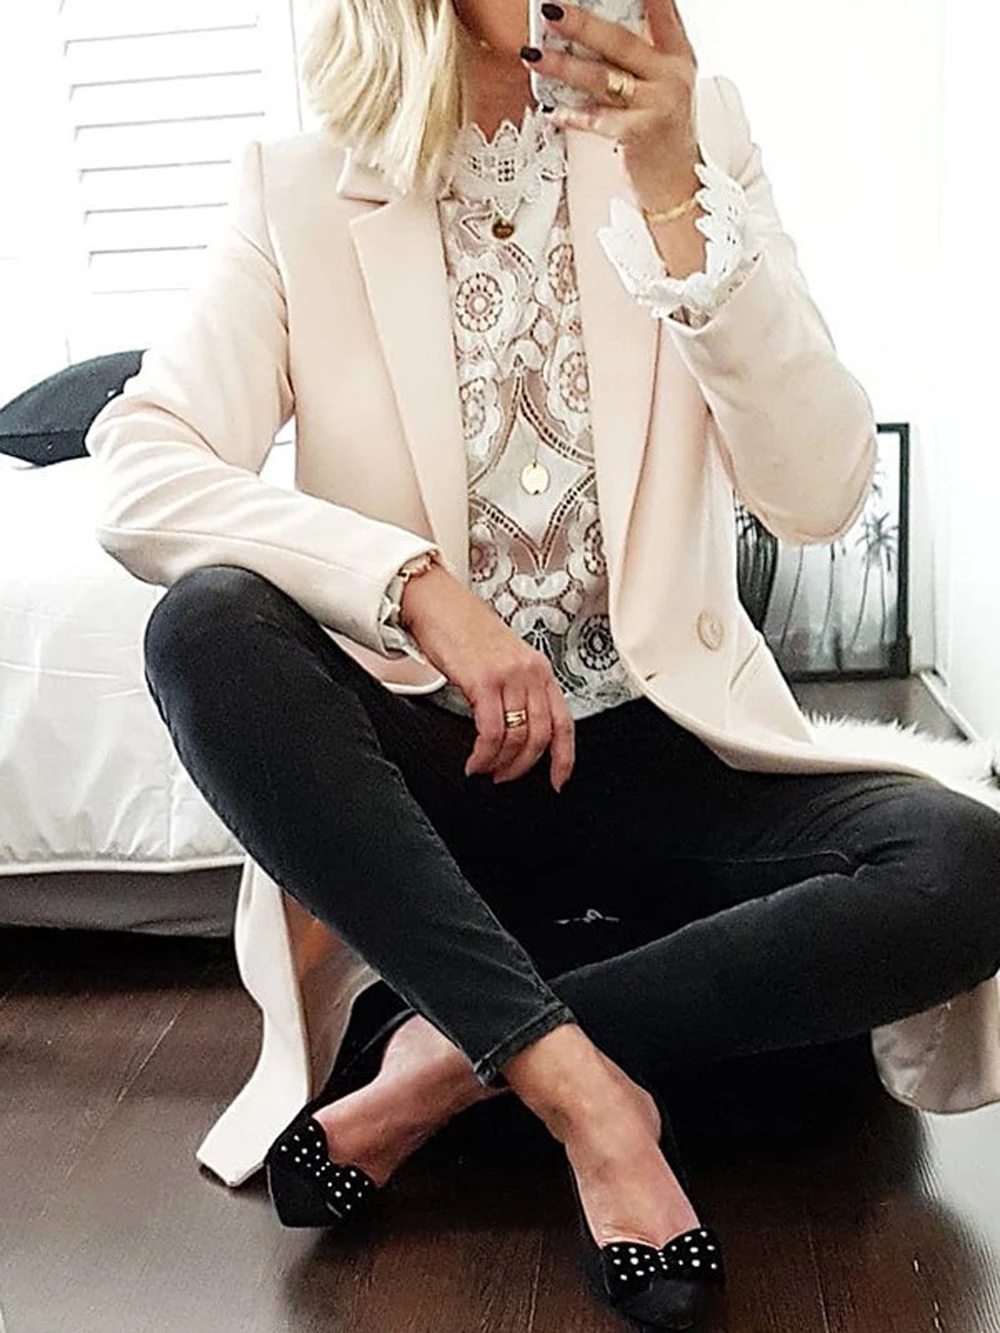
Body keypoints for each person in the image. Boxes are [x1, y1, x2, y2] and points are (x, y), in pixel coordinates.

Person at [84, 0, 1000, 1327]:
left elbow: (818, 494)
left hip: (672, 756)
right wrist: (414, 588)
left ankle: (455, 1059)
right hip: (441, 780)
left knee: (962, 865)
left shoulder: (698, 136)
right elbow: (140, 467)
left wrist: (677, 191)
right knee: (207, 626)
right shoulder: (298, 188)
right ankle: (590, 1097)